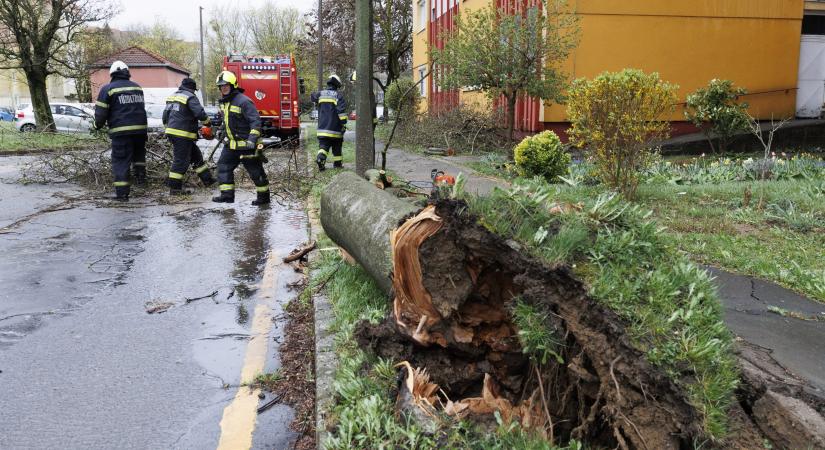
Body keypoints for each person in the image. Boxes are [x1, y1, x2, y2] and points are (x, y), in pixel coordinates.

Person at [211, 70, 270, 206]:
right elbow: (227, 121)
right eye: (221, 86)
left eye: (226, 85)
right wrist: (221, 130)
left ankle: (263, 198)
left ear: (233, 85)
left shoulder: (244, 101)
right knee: (223, 167)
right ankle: (227, 195)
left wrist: (252, 140)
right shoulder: (225, 102)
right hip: (231, 146)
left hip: (247, 146)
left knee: (255, 172)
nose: (223, 88)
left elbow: (255, 122)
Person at [94, 60, 148, 201]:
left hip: (121, 132)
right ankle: (141, 182)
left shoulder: (108, 89)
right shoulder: (137, 87)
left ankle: (122, 193)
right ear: (127, 73)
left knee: (121, 161)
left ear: (111, 74)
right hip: (140, 131)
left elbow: (100, 114)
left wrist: (97, 125)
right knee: (139, 156)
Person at [162, 77, 215, 195]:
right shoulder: (190, 96)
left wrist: (169, 130)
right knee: (181, 161)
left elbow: (165, 116)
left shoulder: (172, 96)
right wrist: (208, 123)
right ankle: (175, 189)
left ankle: (208, 180)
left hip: (175, 133)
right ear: (192, 88)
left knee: (196, 157)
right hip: (183, 134)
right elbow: (199, 113)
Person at [311, 75, 348, 170]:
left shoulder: (320, 94)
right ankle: (337, 165)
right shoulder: (338, 95)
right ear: (337, 85)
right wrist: (344, 124)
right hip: (335, 129)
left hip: (322, 129)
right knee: (337, 147)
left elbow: (313, 96)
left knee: (323, 147)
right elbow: (341, 113)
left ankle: (320, 159)